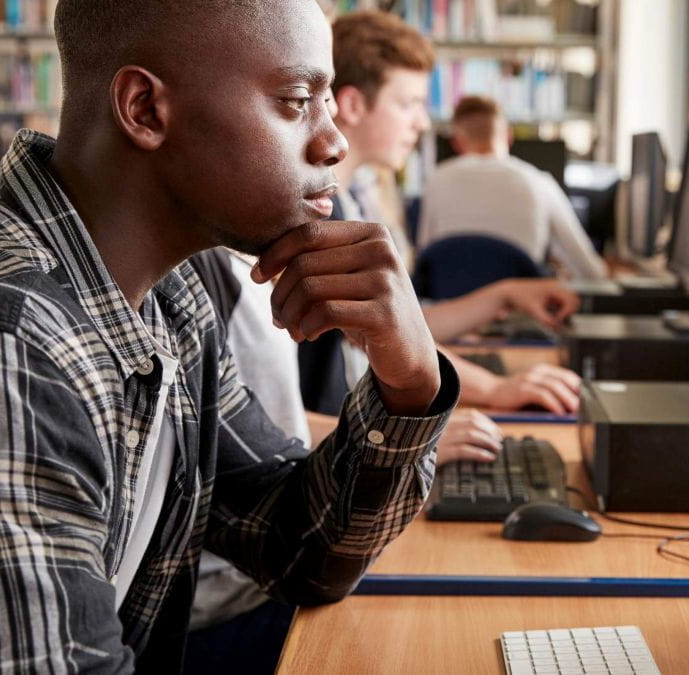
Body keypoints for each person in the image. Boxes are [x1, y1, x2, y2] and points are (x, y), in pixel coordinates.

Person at [0, 1, 460, 671]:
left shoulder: (169, 302)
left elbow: (299, 546)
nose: (333, 142)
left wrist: (410, 382)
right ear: (145, 110)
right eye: (297, 101)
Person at [183, 247, 502, 673]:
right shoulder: (201, 281)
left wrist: (408, 397)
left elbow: (294, 536)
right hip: (222, 609)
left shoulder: (192, 290)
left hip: (256, 586)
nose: (327, 175)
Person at [299, 10, 584, 420]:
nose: (421, 122)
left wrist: (503, 295)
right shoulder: (323, 213)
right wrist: (496, 389)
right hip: (330, 441)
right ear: (353, 105)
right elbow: (382, 336)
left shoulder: (351, 197)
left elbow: (401, 327)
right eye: (408, 104)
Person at [418, 95, 609, 281]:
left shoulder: (435, 180)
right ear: (508, 136)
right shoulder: (540, 182)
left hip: (451, 310)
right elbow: (590, 271)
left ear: (456, 143)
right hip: (523, 310)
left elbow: (424, 257)